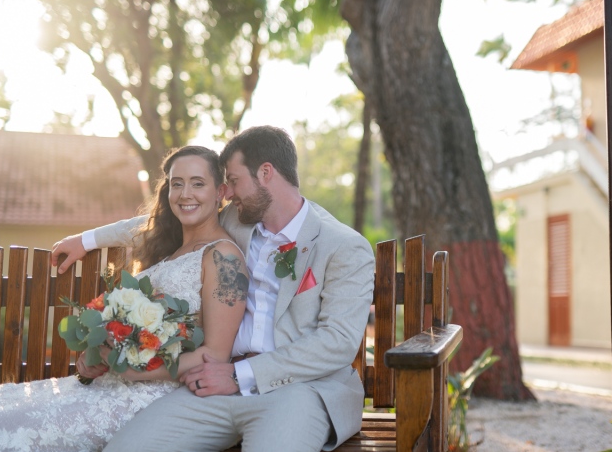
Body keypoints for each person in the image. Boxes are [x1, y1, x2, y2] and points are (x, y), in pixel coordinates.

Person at [50, 126, 375, 452]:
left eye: (233, 181)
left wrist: (238, 374)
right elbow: (165, 219)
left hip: (298, 389)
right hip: (213, 386)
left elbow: (337, 343)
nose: (228, 193)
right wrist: (86, 240)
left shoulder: (343, 246)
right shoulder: (238, 219)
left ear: (265, 173)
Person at [0, 146, 247, 452]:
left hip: (151, 399)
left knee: (2, 432)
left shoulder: (224, 257)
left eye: (198, 183)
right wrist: (97, 355)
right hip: (108, 385)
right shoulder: (172, 250)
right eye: (176, 183)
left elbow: (215, 356)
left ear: (221, 191)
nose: (185, 194)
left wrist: (133, 370)